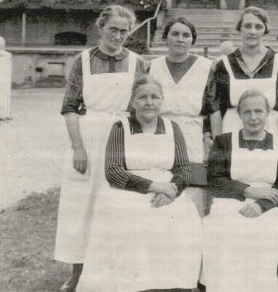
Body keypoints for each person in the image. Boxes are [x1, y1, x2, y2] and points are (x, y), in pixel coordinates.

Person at [78, 75, 203, 292]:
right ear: (133, 101)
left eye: (155, 97)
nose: (149, 102)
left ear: (162, 100)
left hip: (168, 191)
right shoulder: (121, 127)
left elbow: (184, 168)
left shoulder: (173, 128)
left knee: (181, 216)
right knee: (131, 217)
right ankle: (131, 284)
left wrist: (171, 191)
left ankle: (171, 285)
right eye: (142, 97)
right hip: (128, 190)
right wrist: (155, 187)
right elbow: (113, 171)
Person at [55, 5, 148, 292]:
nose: (118, 36)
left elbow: (144, 106)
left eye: (124, 31)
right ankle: (78, 273)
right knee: (82, 207)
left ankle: (119, 272)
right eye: (113, 30)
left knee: (121, 205)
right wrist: (77, 149)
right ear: (101, 28)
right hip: (90, 137)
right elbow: (70, 107)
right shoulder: (82, 60)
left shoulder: (137, 62)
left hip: (122, 138)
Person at [203, 89, 278, 292]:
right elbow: (216, 180)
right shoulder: (224, 142)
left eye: (258, 111)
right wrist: (250, 192)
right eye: (247, 112)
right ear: (239, 115)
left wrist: (260, 206)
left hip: (271, 204)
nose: (253, 117)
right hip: (230, 200)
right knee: (225, 231)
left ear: (268, 113)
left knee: (265, 234)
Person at [208, 6, 278, 152]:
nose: (252, 31)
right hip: (232, 128)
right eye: (247, 26)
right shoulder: (224, 64)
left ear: (265, 30)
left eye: (258, 27)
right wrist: (216, 141)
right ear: (240, 28)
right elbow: (216, 106)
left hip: (270, 130)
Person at [149, 17, 214, 214]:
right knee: (161, 189)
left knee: (192, 192)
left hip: (192, 136)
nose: (180, 39)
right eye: (175, 34)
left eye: (186, 35)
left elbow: (214, 108)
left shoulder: (206, 67)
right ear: (165, 38)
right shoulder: (152, 66)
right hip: (159, 135)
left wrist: (213, 140)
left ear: (192, 40)